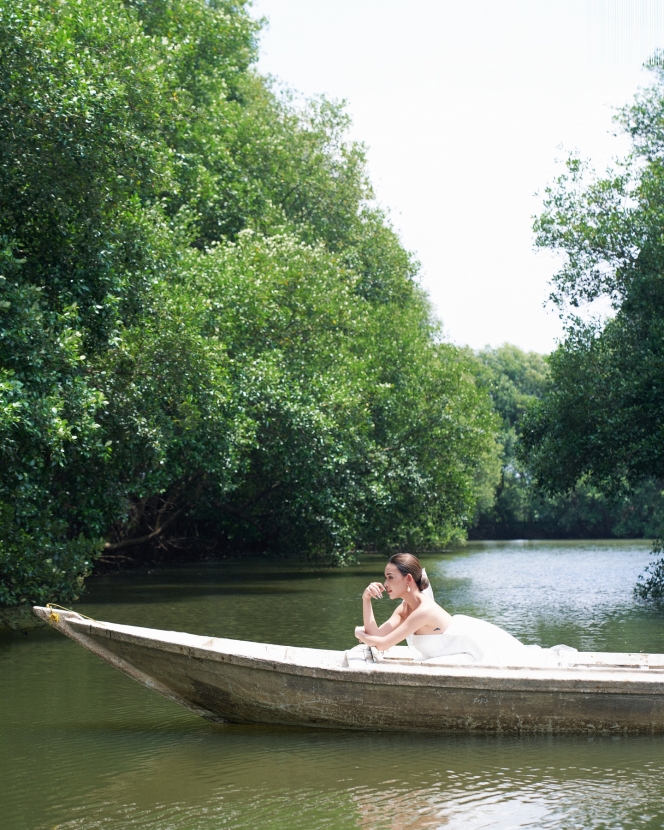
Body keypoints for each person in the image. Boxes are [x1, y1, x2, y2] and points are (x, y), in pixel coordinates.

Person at [355, 553, 561, 664]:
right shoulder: (404, 609)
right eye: (385, 578)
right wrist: (366, 599)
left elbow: (382, 644)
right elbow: (377, 636)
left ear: (408, 579)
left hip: (473, 648)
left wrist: (359, 633)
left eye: (390, 577)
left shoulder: (424, 610)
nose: (385, 583)